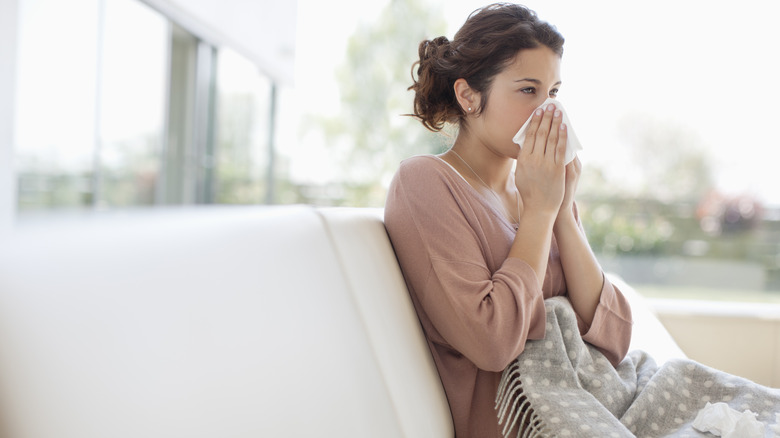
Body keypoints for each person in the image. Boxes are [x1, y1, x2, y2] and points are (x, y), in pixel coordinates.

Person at [383, 3, 633, 437]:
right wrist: (540, 212)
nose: (548, 112)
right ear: (468, 96)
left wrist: (562, 215)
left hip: (601, 401)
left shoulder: (539, 190)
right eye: (527, 90)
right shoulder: (425, 182)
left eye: (553, 93)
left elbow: (615, 339)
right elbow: (493, 342)